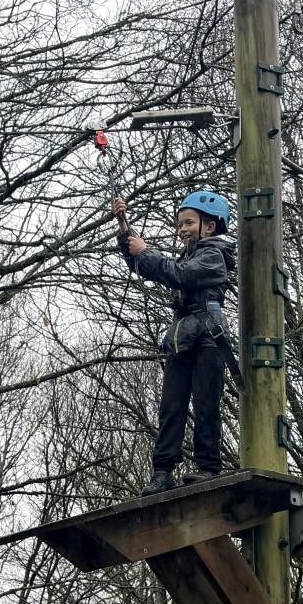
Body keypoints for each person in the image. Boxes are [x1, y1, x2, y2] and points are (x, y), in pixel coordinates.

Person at [112, 189, 237, 494]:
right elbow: (146, 266)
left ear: (209, 226)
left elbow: (180, 275)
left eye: (189, 223)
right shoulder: (188, 256)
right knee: (171, 406)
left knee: (206, 403)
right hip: (182, 336)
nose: (182, 229)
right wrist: (124, 229)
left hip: (208, 337)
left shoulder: (214, 256)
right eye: (180, 224)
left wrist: (145, 252)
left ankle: (208, 467)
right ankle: (162, 471)